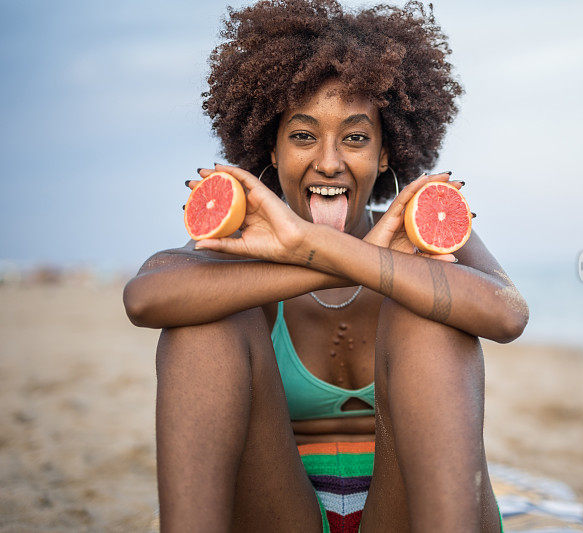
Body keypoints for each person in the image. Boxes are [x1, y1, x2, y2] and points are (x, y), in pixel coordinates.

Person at [123, 0, 529, 531]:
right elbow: (145, 298)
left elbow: (508, 315)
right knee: (207, 320)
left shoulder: (420, 228)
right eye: (303, 135)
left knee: (428, 304)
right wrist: (333, 260)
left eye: (356, 138)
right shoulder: (249, 243)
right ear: (271, 146)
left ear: (386, 153)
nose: (330, 161)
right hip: (280, 508)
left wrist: (337, 252)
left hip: (412, 510)